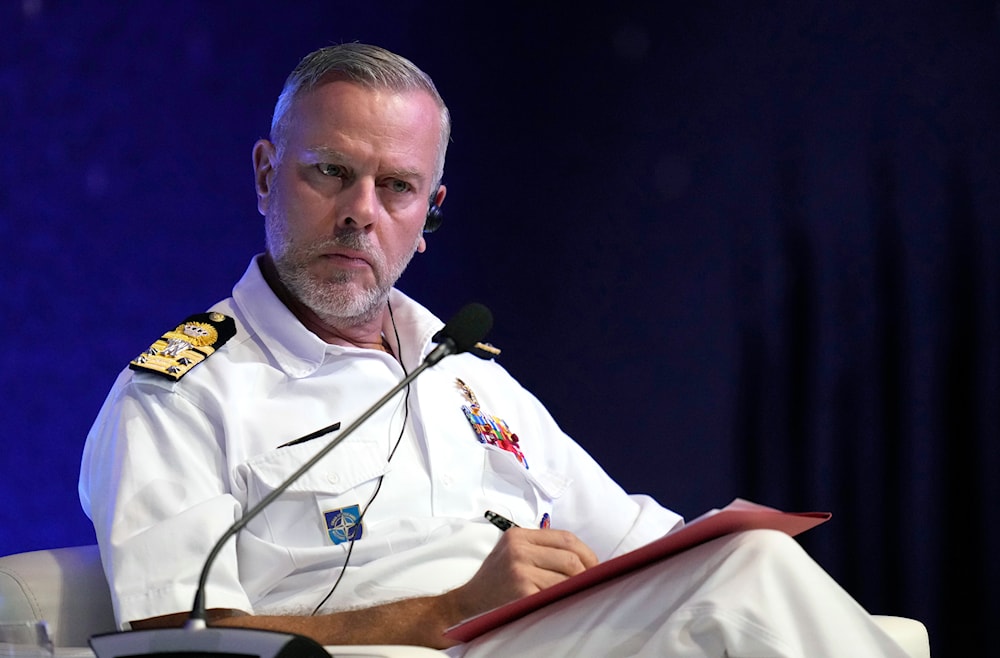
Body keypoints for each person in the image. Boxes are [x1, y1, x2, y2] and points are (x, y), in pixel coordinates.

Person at [79, 42, 909, 657]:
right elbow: (177, 646)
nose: (361, 212)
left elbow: (633, 539)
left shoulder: (465, 373)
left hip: (537, 641)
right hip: (389, 655)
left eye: (396, 187)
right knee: (752, 577)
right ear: (265, 175)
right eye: (329, 173)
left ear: (428, 214)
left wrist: (711, 542)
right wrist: (452, 608)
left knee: (746, 560)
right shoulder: (180, 393)